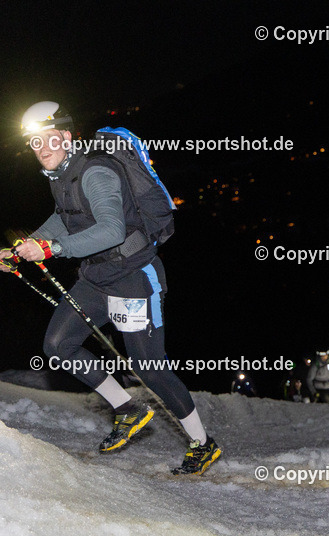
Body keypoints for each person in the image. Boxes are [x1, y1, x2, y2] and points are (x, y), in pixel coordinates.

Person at [0, 101, 220, 474]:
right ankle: (127, 408)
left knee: (149, 368)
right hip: (97, 278)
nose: (43, 148)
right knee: (58, 345)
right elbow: (64, 217)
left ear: (66, 136)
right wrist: (25, 249)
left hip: (134, 278)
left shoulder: (95, 172)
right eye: (35, 143)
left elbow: (112, 230)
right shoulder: (61, 175)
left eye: (49, 139)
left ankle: (203, 443)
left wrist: (52, 249)